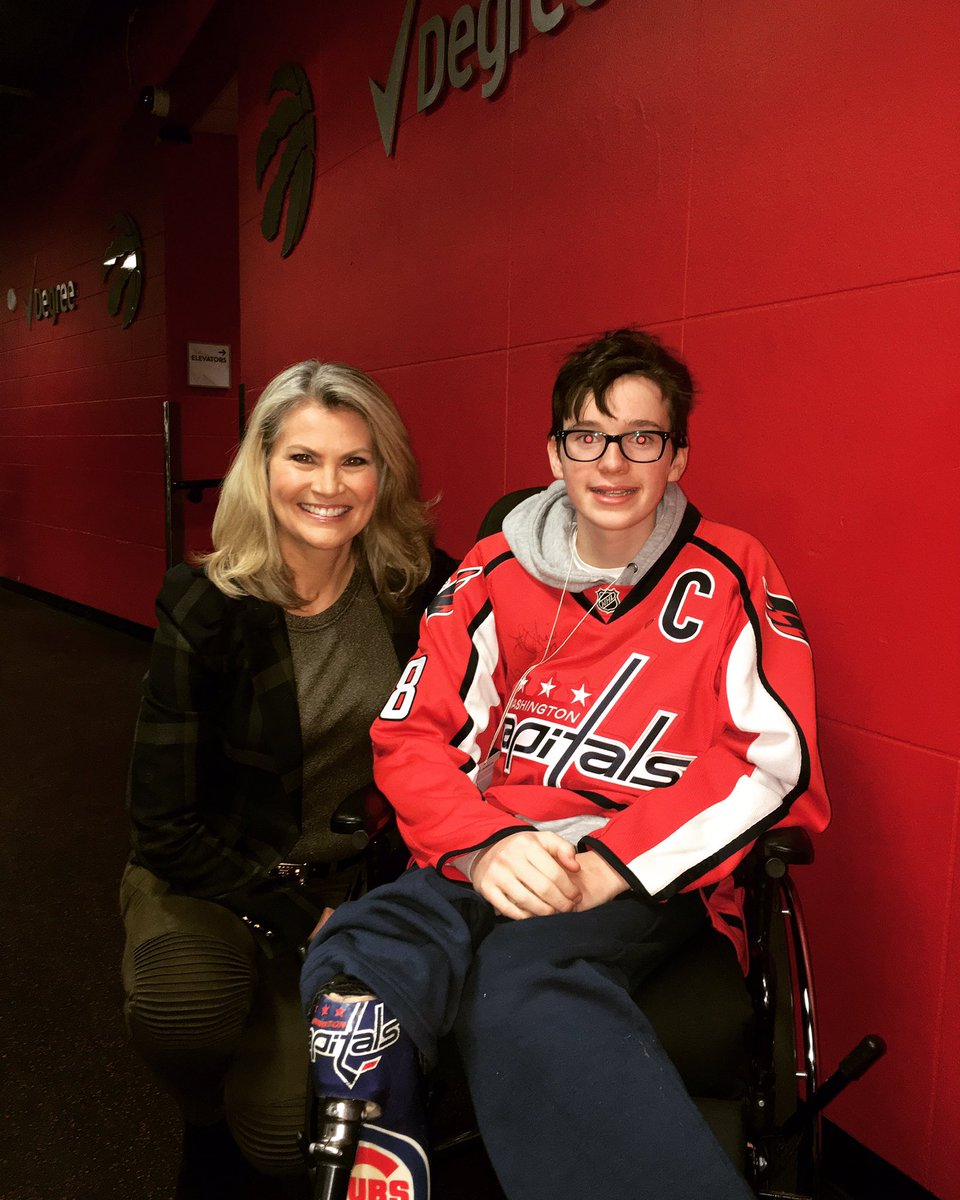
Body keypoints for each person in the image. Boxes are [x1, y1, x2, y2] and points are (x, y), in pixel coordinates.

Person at [300, 328, 831, 1200]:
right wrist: (483, 846)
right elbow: (411, 734)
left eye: (642, 438)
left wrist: (611, 865)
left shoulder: (733, 571)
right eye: (588, 436)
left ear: (678, 455)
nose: (613, 463)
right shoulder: (491, 569)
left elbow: (777, 764)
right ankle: (387, 1163)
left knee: (519, 982)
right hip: (498, 845)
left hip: (640, 868)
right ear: (555, 452)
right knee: (361, 952)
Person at [120, 360, 454, 1198]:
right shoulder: (205, 604)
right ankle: (199, 1121)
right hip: (215, 871)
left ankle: (241, 1121)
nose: (329, 486)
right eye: (303, 458)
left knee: (280, 1144)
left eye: (355, 460)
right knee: (184, 1015)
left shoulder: (413, 587)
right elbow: (163, 825)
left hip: (350, 885)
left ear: (386, 473)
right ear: (261, 469)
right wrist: (307, 917)